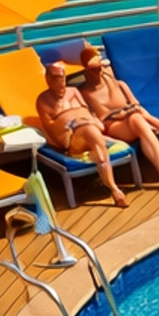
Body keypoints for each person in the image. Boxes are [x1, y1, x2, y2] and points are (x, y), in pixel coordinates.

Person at [77, 48, 159, 192]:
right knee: (137, 118)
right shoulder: (83, 94)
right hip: (111, 127)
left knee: (137, 118)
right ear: (86, 71)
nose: (100, 72)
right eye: (94, 69)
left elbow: (136, 106)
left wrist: (152, 119)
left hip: (131, 120)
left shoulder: (119, 84)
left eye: (101, 67)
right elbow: (95, 122)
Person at [34, 59, 130, 208]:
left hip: (89, 128)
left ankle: (112, 184)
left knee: (92, 132)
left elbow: (88, 110)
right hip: (71, 138)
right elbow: (52, 130)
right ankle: (114, 188)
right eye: (57, 79)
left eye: (63, 78)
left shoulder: (74, 91)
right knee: (92, 133)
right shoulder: (43, 100)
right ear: (48, 80)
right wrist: (73, 124)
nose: (62, 84)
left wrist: (89, 120)